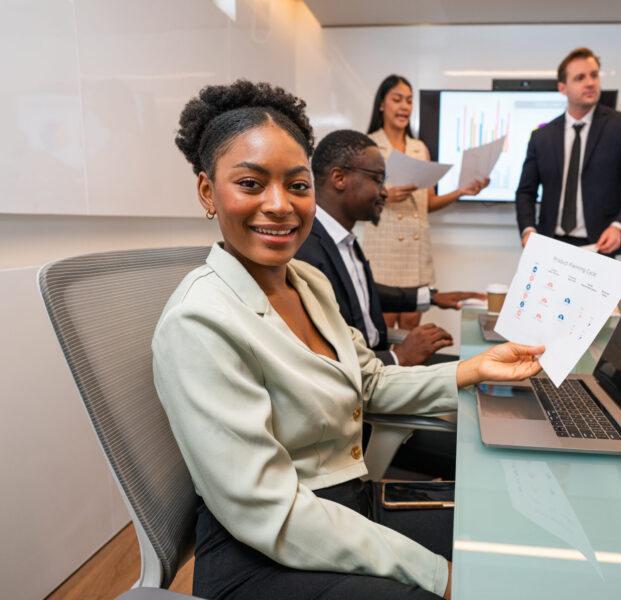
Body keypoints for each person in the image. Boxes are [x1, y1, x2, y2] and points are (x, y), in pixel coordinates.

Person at [153, 79, 545, 600]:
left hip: (344, 507)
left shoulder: (307, 282)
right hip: (264, 551)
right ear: (208, 192)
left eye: (296, 185)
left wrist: (473, 369)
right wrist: (435, 574)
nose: (280, 205)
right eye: (250, 183)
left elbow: (369, 379)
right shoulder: (198, 322)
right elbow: (272, 511)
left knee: (501, 543)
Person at [297, 129, 484, 367]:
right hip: (362, 381)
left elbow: (359, 293)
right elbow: (321, 358)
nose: (384, 191)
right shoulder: (305, 251)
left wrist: (431, 297)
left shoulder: (340, 237)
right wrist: (399, 357)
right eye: (377, 179)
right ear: (339, 178)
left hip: (379, 364)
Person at [364, 74, 489, 330]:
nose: (404, 107)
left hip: (415, 252)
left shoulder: (419, 147)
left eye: (409, 101)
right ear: (381, 104)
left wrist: (461, 191)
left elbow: (428, 203)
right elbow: (354, 198)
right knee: (383, 327)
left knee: (412, 328)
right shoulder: (368, 145)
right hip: (383, 249)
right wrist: (384, 195)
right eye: (397, 99)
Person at [515, 47, 621, 256]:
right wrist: (528, 229)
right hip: (549, 244)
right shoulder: (541, 137)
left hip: (599, 245)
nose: (590, 82)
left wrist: (620, 226)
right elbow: (526, 191)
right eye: (580, 78)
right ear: (563, 88)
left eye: (594, 75)